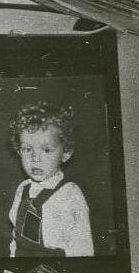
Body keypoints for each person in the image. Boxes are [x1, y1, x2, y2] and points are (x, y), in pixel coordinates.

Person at [8, 102, 94, 258]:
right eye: (27, 149)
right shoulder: (22, 189)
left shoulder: (70, 194)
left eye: (46, 150)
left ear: (65, 153)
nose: (35, 158)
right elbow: (16, 239)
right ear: (19, 151)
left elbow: (83, 249)